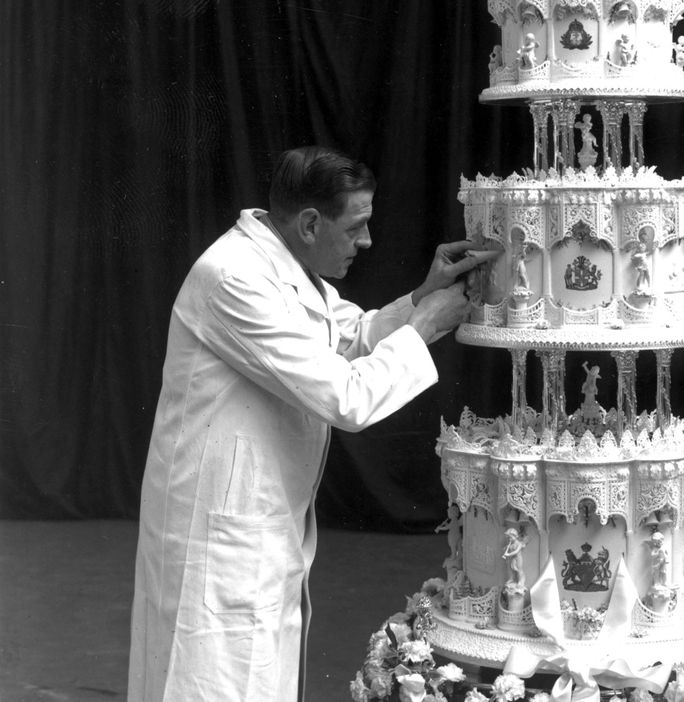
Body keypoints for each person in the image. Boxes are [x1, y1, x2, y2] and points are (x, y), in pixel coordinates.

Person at [127, 146, 495, 702]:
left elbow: (347, 340)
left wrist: (421, 297)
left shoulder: (291, 270)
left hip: (259, 521)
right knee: (210, 683)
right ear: (308, 223)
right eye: (357, 227)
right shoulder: (233, 278)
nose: (366, 243)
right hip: (218, 535)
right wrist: (421, 327)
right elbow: (345, 396)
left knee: (256, 678)